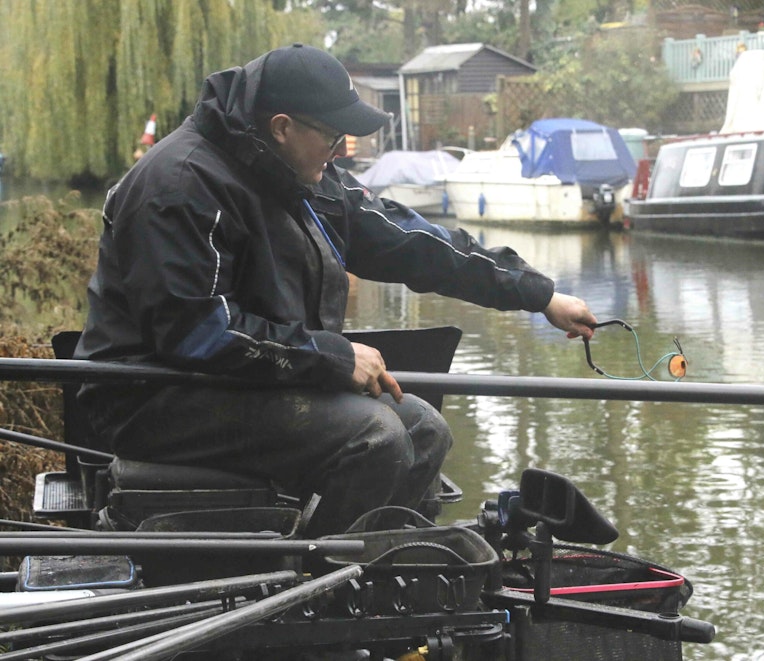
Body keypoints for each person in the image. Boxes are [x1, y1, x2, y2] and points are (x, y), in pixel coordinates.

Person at [74, 43, 598, 535]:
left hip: (248, 378)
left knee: (425, 430)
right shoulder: (180, 184)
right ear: (281, 127)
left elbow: (417, 242)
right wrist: (330, 356)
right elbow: (195, 332)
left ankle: (379, 572)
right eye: (332, 137)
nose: (340, 152)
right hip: (154, 394)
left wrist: (540, 295)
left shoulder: (303, 175)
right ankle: (318, 584)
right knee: (376, 436)